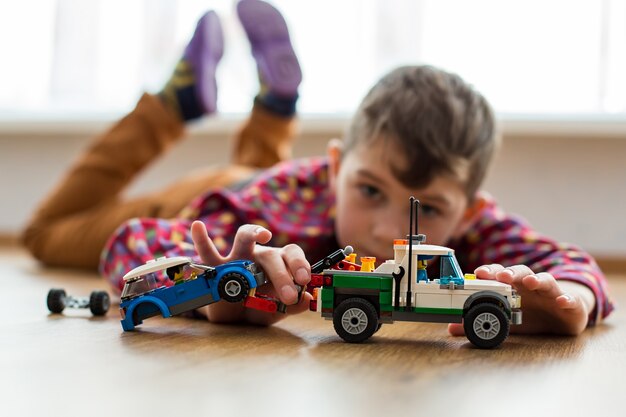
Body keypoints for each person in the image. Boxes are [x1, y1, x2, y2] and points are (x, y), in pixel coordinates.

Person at [22, 0, 613, 333]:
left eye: (425, 207)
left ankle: (275, 110)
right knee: (46, 231)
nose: (386, 229)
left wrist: (569, 300)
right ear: (336, 168)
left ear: (471, 208)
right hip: (217, 202)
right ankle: (171, 106)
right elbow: (134, 241)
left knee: (255, 180)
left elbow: (570, 264)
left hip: (264, 188)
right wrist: (207, 293)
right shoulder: (275, 207)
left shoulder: (466, 237)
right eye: (370, 190)